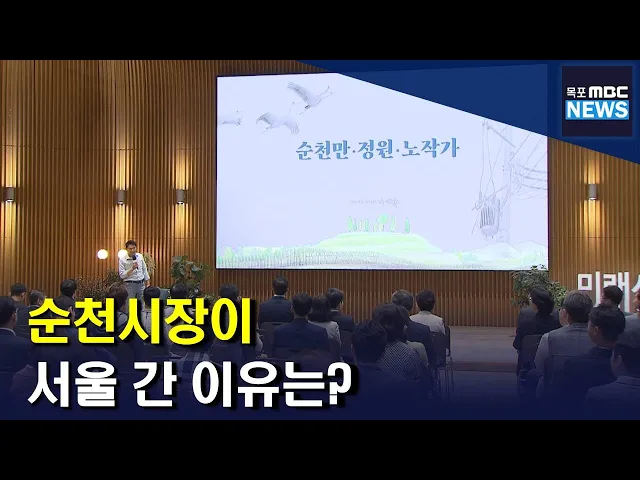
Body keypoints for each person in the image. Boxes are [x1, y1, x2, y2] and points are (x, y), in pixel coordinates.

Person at [118, 240, 150, 308]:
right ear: (126, 249)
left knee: (142, 304)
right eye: (130, 248)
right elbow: (122, 275)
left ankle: (141, 314)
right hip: (129, 285)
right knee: (129, 305)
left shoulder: (140, 256)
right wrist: (132, 268)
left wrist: (148, 282)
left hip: (141, 284)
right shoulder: (122, 260)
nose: (132, 250)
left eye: (134, 248)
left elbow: (144, 269)